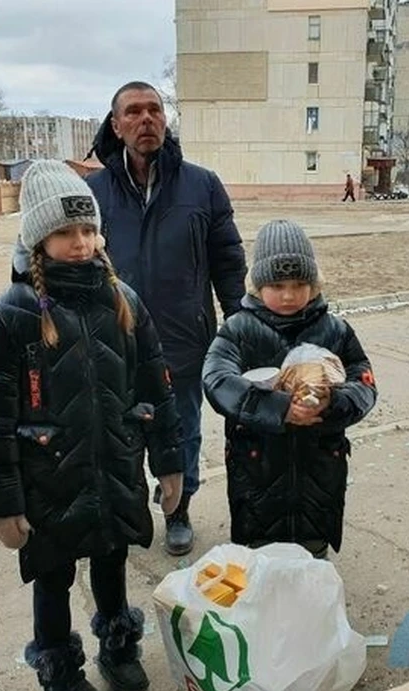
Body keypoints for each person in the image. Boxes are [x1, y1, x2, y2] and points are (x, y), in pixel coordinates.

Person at [0, 161, 183, 691]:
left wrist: (170, 462)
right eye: (65, 233)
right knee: (53, 576)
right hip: (47, 480)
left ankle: (118, 645)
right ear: (39, 238)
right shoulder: (12, 314)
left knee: (112, 561)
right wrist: (2, 503)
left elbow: (157, 388)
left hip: (114, 467)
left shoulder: (125, 301)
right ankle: (59, 665)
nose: (80, 243)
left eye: (88, 230)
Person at [85, 81, 247, 556]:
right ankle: (131, 508)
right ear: (116, 126)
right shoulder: (91, 192)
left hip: (184, 337)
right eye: (133, 112)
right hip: (115, 341)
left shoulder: (202, 185)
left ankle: (178, 510)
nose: (146, 119)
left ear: (165, 119)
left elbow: (228, 259)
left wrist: (240, 320)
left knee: (182, 431)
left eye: (155, 110)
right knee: (121, 434)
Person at [202, 220, 377, 559]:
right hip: (257, 469)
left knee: (312, 561)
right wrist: (279, 408)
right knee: (259, 563)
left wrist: (332, 402)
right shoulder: (239, 329)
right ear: (256, 285)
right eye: (277, 284)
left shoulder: (335, 330)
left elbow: (364, 381)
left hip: (320, 469)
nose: (288, 295)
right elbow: (216, 379)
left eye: (300, 284)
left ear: (315, 283)